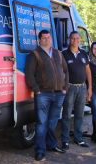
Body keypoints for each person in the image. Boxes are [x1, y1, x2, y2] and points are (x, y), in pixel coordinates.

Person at [25, 30, 69, 161]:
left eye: (48, 37)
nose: (46, 40)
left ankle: (51, 144)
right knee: (41, 123)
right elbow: (29, 74)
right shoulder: (34, 54)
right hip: (43, 94)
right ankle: (39, 150)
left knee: (52, 122)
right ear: (39, 40)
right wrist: (36, 90)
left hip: (59, 93)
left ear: (51, 39)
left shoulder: (58, 54)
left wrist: (65, 88)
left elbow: (66, 72)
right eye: (43, 38)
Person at [61, 31, 92, 150]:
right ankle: (65, 140)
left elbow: (88, 71)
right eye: (73, 38)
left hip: (82, 87)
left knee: (80, 114)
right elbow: (61, 72)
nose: (75, 40)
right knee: (67, 115)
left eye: (77, 38)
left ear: (80, 40)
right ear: (70, 39)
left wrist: (89, 88)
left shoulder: (84, 54)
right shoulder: (64, 54)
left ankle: (78, 138)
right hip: (70, 88)